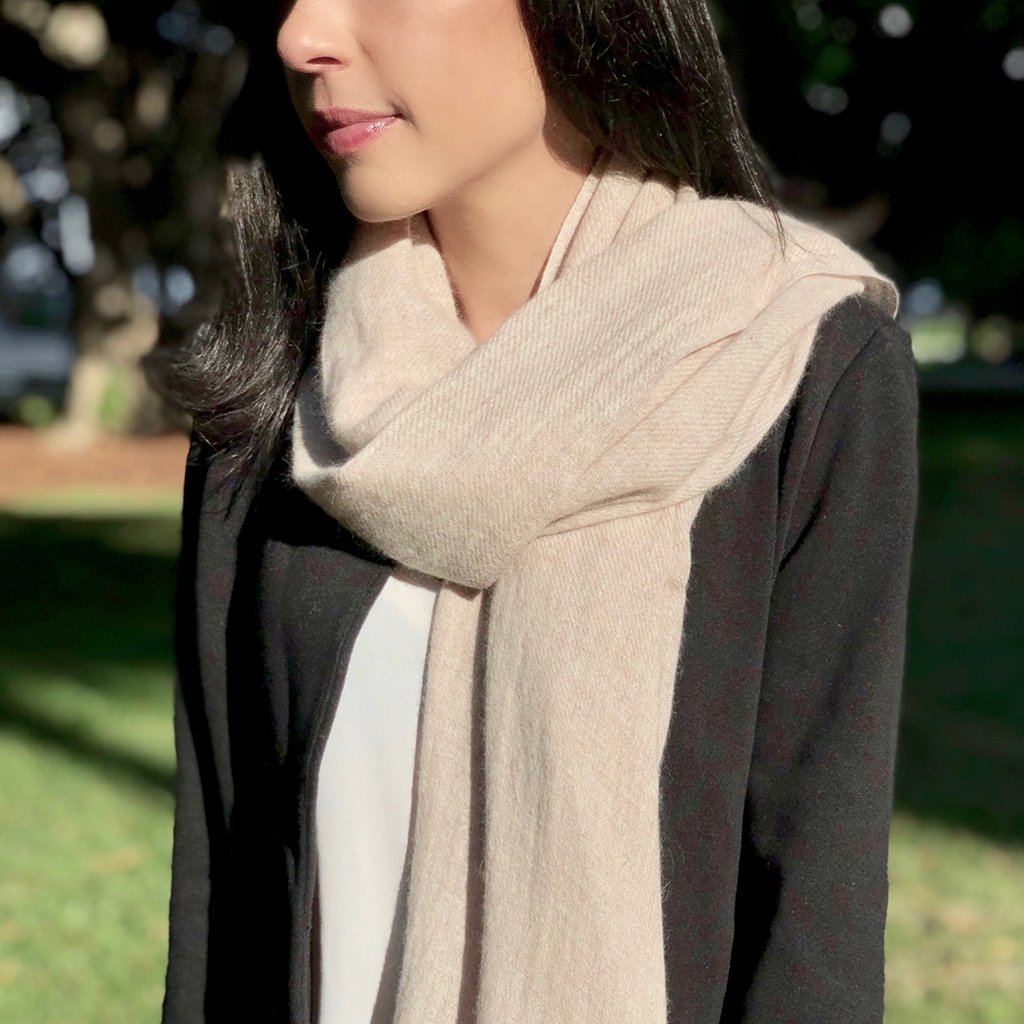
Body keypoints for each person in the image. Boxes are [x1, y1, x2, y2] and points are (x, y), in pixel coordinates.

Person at [145, 1, 920, 1023]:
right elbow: (225, 900)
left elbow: (812, 916)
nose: (301, 36)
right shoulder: (274, 392)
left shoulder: (792, 357)